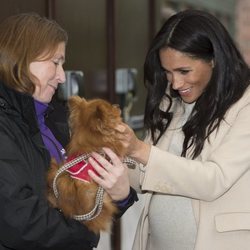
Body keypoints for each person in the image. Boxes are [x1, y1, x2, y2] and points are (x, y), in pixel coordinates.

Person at [0, 13, 137, 250]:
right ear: (21, 58)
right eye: (55, 62)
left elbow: (82, 205)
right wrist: (86, 233)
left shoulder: (55, 120)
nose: (62, 76)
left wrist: (120, 195)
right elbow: (20, 224)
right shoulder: (6, 127)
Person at [118, 9, 250, 250]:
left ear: (214, 59)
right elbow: (142, 177)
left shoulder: (245, 104)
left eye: (184, 71)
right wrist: (119, 157)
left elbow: (214, 179)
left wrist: (141, 151)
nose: (176, 84)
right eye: (168, 73)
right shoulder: (172, 100)